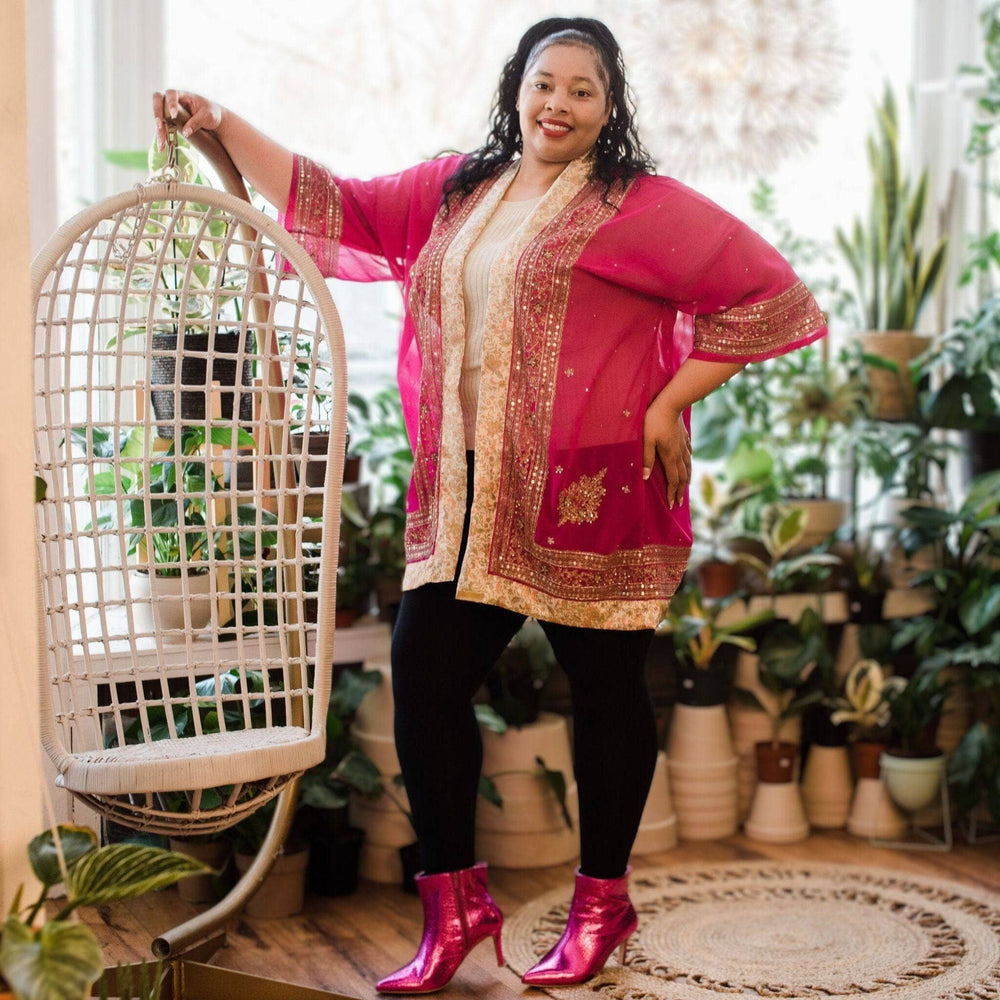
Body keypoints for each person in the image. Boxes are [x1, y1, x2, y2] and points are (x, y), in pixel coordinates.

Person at [155, 15, 825, 994]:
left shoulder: (636, 206)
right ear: (517, 87)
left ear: (608, 107)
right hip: (467, 494)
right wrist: (219, 117)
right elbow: (329, 201)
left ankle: (602, 902)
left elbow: (770, 294)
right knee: (423, 676)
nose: (558, 103)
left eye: (582, 89)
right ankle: (455, 903)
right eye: (544, 82)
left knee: (602, 690)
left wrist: (672, 399)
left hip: (590, 492)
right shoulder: (452, 192)